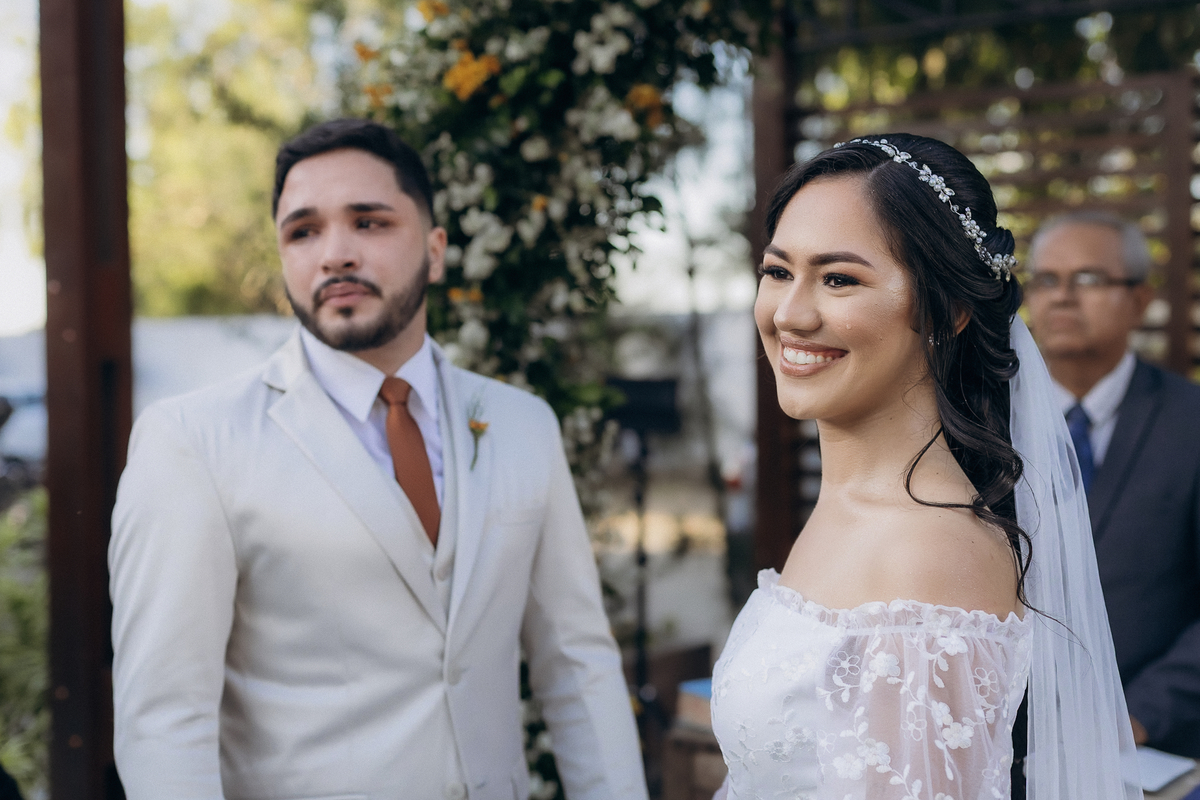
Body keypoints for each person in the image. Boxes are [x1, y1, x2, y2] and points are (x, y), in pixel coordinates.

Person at [108, 119, 648, 800]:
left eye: (369, 222)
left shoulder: (521, 425)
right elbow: (164, 720)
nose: (334, 253)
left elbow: (577, 665)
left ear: (436, 250)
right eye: (302, 231)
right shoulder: (192, 441)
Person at [710, 134, 1140, 799]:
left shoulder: (928, 559)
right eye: (777, 271)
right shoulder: (853, 506)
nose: (790, 314)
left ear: (951, 310)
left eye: (839, 278)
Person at [1025, 210, 1200, 756]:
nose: (1062, 297)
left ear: (1141, 301)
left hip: (1148, 744)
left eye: (1089, 279)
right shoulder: (975, 419)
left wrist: (1141, 717)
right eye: (1045, 280)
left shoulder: (1190, 422)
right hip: (997, 744)